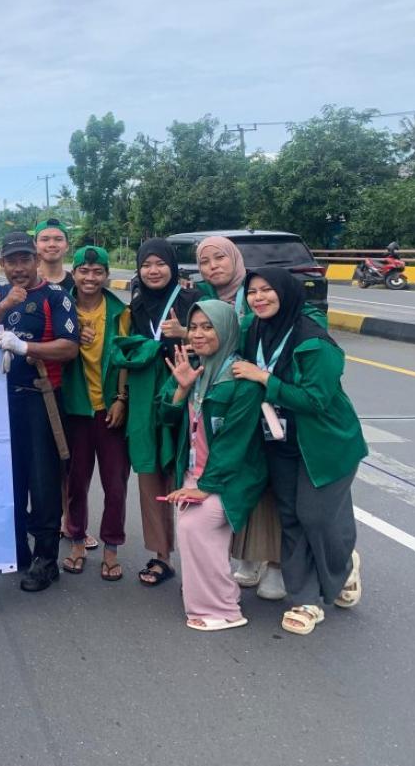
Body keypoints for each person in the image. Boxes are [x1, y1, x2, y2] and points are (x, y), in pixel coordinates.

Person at [232, 268, 367, 635]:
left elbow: (317, 400)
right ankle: (306, 600)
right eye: (253, 291)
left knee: (317, 516)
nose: (259, 298)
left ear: (287, 293)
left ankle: (343, 564)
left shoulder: (313, 341)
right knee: (290, 517)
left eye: (267, 290)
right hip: (279, 440)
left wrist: (265, 379)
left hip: (326, 444)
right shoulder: (253, 330)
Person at [0, 231, 81, 592]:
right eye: (12, 261)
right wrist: (4, 306)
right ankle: (17, 549)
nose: (19, 268)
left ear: (37, 261)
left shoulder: (57, 297)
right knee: (10, 476)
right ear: (2, 264)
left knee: (43, 479)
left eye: (25, 260)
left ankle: (46, 558)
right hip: (1, 401)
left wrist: (25, 346)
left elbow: (69, 347)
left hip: (42, 398)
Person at [158, 300, 267, 632]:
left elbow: (234, 443)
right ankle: (212, 594)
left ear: (227, 330)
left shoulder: (242, 380)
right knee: (194, 530)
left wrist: (204, 488)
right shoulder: (195, 368)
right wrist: (182, 387)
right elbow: (166, 417)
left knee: (197, 527)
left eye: (208, 327)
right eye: (194, 327)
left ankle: (222, 609)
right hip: (195, 472)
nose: (199, 334)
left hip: (229, 476)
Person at [193, 236, 285, 600]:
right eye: (204, 261)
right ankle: (249, 555)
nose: (213, 266)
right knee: (246, 481)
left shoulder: (257, 295)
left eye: (220, 258)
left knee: (274, 485)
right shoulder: (204, 299)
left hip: (272, 401)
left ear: (236, 259)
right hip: (235, 397)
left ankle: (277, 563)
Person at [111, 237, 198, 589]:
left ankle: (200, 554)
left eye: (160, 263)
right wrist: (122, 397)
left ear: (173, 267)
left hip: (185, 391)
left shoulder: (193, 301)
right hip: (146, 398)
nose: (153, 270)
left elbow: (216, 339)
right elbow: (126, 355)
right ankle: (162, 555)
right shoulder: (136, 307)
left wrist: (185, 333)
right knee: (150, 477)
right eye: (146, 264)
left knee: (188, 473)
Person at [59, 246, 130, 581]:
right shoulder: (62, 307)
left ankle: (111, 549)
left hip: (110, 411)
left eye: (97, 271)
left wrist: (121, 398)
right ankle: (75, 542)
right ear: (73, 273)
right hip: (74, 408)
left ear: (106, 276)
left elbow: (125, 358)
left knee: (115, 483)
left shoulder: (119, 312)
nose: (90, 278)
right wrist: (71, 333)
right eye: (83, 271)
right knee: (76, 481)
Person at [33, 218, 72, 289]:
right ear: (35, 245)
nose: (52, 244)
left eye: (58, 239)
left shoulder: (77, 283)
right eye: (45, 239)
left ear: (67, 245)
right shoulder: (27, 282)